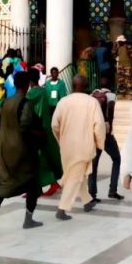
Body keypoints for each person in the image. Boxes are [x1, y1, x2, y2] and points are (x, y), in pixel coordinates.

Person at [0, 71, 44, 237]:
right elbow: (25, 127)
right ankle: (28, 219)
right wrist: (39, 135)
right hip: (23, 151)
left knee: (3, 183)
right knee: (33, 182)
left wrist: (8, 130)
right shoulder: (26, 104)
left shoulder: (5, 102)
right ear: (27, 84)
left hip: (5, 151)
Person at [51, 75, 105, 220]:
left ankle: (87, 201)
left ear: (73, 86)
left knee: (76, 173)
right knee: (74, 177)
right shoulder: (92, 102)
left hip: (66, 147)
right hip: (84, 145)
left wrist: (61, 139)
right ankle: (62, 209)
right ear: (86, 86)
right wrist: (99, 143)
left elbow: (54, 125)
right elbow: (99, 125)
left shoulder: (63, 102)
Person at [26, 67, 63, 197]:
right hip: (44, 127)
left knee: (39, 159)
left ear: (30, 80)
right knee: (43, 157)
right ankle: (40, 187)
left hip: (37, 129)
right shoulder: (44, 90)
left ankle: (50, 183)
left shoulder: (32, 94)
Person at [89, 76, 124, 201]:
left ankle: (91, 194)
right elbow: (111, 109)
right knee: (117, 159)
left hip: (94, 131)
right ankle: (112, 190)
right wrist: (110, 124)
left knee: (94, 164)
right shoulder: (111, 95)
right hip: (106, 132)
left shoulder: (93, 94)